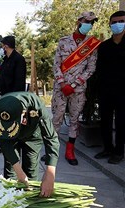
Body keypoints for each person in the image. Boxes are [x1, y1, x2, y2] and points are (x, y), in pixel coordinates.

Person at [51, 11, 100, 166]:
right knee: (56, 119)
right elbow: (56, 65)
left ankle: (70, 150)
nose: (89, 25)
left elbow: (90, 69)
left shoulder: (91, 45)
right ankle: (52, 150)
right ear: (79, 21)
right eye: (87, 21)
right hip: (61, 88)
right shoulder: (63, 41)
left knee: (74, 120)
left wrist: (73, 85)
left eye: (92, 23)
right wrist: (62, 83)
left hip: (77, 89)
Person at [0, 91, 60, 197]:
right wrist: (19, 172)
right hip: (9, 138)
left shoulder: (36, 106)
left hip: (32, 136)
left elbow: (51, 138)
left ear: (23, 113)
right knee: (11, 174)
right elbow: (3, 141)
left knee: (31, 172)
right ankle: (10, 201)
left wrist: (50, 175)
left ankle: (29, 201)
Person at [94, 10, 125, 164]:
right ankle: (107, 148)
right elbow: (99, 68)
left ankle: (119, 152)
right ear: (110, 24)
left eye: (121, 21)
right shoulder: (104, 46)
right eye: (114, 22)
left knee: (121, 122)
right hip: (106, 90)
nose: (117, 25)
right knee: (105, 120)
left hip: (123, 92)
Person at [0, 35, 26, 156]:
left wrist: (14, 98)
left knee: (10, 120)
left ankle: (12, 143)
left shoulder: (19, 59)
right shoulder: (6, 59)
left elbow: (19, 81)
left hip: (11, 97)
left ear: (6, 45)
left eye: (2, 45)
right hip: (1, 95)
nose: (1, 47)